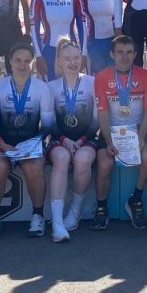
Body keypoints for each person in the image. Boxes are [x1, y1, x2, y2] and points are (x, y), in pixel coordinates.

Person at [0, 42, 55, 239]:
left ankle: (38, 215)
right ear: (10, 62)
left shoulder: (42, 88)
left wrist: (33, 144)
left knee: (32, 168)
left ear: (32, 63)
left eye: (27, 61)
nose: (22, 65)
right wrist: (2, 144)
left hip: (31, 143)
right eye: (18, 61)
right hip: (3, 143)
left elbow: (48, 125)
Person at [92, 35, 147, 231]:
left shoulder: (145, 76)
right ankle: (101, 207)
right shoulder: (101, 77)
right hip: (111, 129)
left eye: (129, 53)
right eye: (120, 52)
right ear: (112, 54)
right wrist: (109, 141)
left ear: (136, 54)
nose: (125, 57)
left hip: (137, 128)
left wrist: (142, 136)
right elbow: (102, 114)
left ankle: (135, 200)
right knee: (104, 163)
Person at [46, 38, 98, 243]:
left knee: (83, 159)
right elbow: (48, 122)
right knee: (61, 157)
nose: (73, 62)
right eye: (67, 58)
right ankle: (57, 222)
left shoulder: (92, 82)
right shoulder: (50, 86)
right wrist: (65, 139)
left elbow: (96, 120)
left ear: (81, 59)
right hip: (60, 138)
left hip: (87, 138)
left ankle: (75, 211)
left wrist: (82, 139)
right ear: (59, 60)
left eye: (76, 58)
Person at [30, 0, 76, 82]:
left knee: (71, 89)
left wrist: (82, 54)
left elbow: (82, 28)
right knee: (50, 91)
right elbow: (33, 29)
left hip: (71, 51)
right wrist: (38, 56)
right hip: (49, 52)